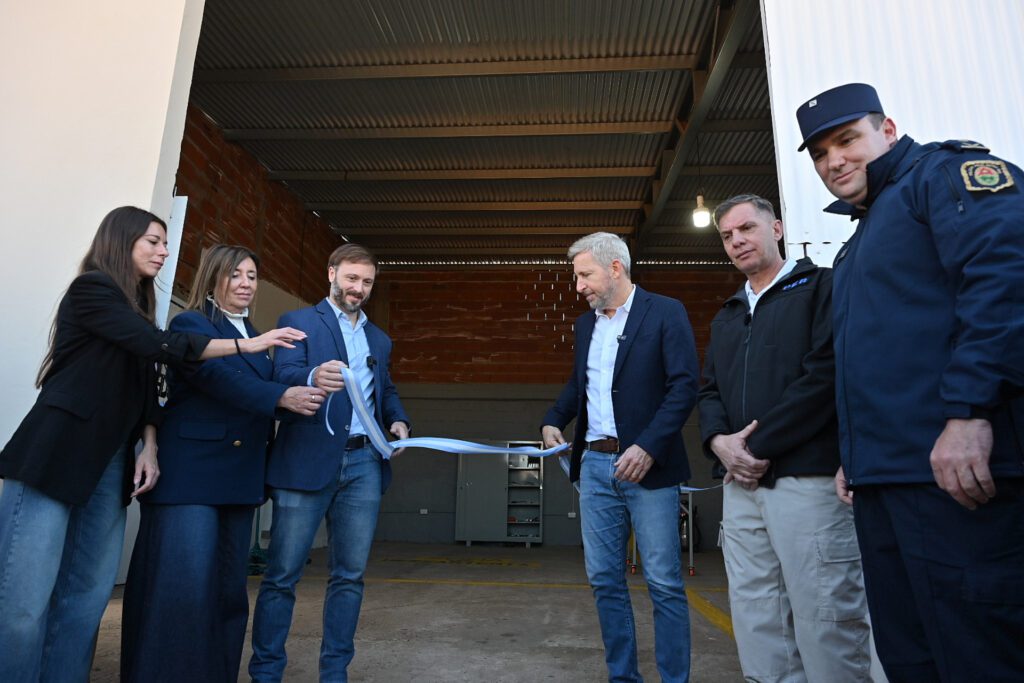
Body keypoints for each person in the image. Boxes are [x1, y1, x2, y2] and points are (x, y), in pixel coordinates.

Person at [0, 207, 305, 682]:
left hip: (111, 461)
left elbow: (148, 387)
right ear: (121, 240)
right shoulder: (92, 289)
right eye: (154, 242)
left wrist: (148, 443)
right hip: (56, 452)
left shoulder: (138, 308)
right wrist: (248, 344)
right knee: (23, 602)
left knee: (86, 598)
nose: (164, 252)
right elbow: (161, 347)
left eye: (165, 243)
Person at [796, 82, 1024, 681]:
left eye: (847, 140)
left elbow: (1006, 277)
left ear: (888, 130)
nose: (834, 161)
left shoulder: (942, 178)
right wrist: (856, 455)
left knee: (977, 656)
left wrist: (969, 411)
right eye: (820, 153)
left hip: (955, 479)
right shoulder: (861, 238)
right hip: (884, 481)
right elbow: (877, 358)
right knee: (910, 658)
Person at [119, 244, 327, 682]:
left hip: (239, 482)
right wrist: (281, 397)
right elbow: (218, 379)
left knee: (228, 597)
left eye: (252, 275)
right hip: (191, 479)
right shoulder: (192, 324)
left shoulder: (257, 335)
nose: (246, 283)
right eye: (235, 274)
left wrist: (310, 389)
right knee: (184, 592)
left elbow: (267, 393)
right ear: (213, 277)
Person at [697, 194, 871, 680]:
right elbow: (708, 391)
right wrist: (719, 443)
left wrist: (752, 448)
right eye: (727, 236)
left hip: (805, 480)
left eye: (746, 229)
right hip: (740, 486)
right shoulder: (728, 313)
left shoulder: (822, 288)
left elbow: (824, 377)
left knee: (825, 614)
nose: (737, 241)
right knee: (756, 613)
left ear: (776, 228)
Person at [541, 232, 699, 683]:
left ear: (615, 268)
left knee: (663, 582)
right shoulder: (585, 325)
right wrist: (553, 419)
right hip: (594, 468)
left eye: (584, 275)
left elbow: (684, 386)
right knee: (604, 581)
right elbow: (580, 384)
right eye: (576, 277)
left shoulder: (665, 312)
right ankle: (623, 677)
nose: (578, 286)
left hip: (650, 468)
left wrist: (648, 446)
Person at [249, 243, 410, 683]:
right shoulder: (298, 322)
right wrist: (311, 376)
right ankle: (266, 673)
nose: (359, 288)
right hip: (306, 460)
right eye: (352, 278)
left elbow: (386, 390)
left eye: (367, 282)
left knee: (350, 577)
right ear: (331, 273)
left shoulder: (380, 339)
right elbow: (281, 376)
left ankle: (334, 673)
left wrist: (398, 421)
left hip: (364, 465)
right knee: (281, 576)